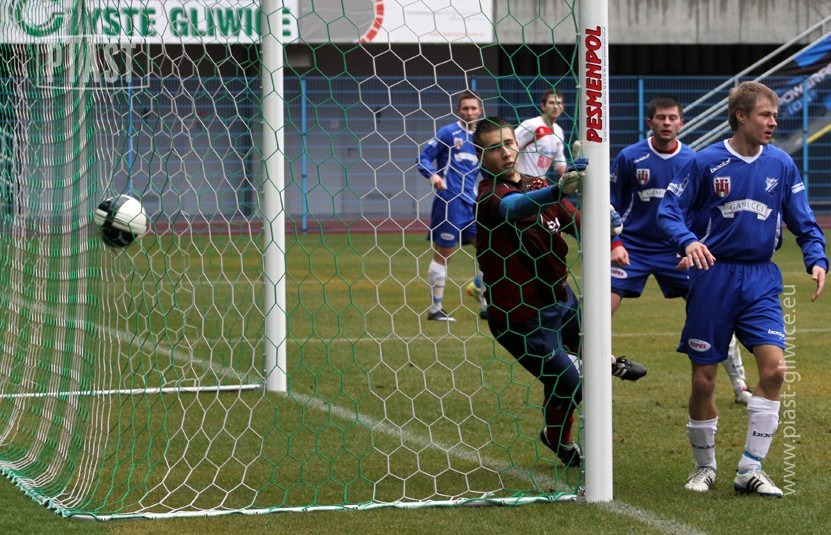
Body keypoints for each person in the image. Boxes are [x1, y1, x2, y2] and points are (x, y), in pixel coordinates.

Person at [657, 81, 827, 497]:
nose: (773, 122)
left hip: (761, 279)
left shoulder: (781, 164)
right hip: (713, 277)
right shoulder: (705, 162)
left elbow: (803, 219)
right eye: (766, 115)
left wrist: (817, 257)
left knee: (775, 370)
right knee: (704, 381)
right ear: (741, 116)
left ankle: (750, 468)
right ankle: (704, 467)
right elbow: (668, 211)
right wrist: (688, 241)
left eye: (774, 116)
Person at [473, 116, 647, 467]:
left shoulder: (537, 182)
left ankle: (604, 361)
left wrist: (610, 232)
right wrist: (557, 190)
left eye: (508, 143)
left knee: (587, 361)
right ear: (481, 156)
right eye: (494, 148)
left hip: (561, 300)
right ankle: (558, 438)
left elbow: (577, 223)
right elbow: (515, 207)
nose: (505, 153)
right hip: (521, 318)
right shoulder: (489, 196)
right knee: (572, 382)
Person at [610, 96, 753, 404]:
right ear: (650, 122)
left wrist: (689, 243)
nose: (666, 123)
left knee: (713, 310)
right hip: (632, 248)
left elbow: (702, 210)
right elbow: (610, 205)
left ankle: (740, 385)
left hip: (675, 250)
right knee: (601, 307)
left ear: (681, 123)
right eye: (661, 118)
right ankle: (588, 371)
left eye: (672, 118)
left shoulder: (693, 160)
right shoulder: (629, 157)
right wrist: (615, 243)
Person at [417, 90, 488, 321]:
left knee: (487, 251)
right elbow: (423, 158)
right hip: (450, 201)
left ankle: (487, 305)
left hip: (472, 203)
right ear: (458, 111)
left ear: (480, 110)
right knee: (445, 253)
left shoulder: (482, 138)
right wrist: (433, 175)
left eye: (473, 108)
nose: (469, 112)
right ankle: (435, 309)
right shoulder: (448, 133)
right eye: (465, 108)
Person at [515, 89, 568, 180]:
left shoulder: (559, 131)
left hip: (540, 183)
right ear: (543, 106)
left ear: (562, 107)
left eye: (559, 103)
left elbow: (559, 163)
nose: (555, 106)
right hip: (522, 181)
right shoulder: (531, 125)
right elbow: (511, 146)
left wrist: (572, 178)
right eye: (551, 103)